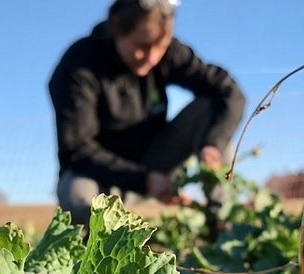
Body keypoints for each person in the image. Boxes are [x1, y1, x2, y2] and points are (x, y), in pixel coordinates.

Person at [49, 0, 246, 226]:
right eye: (141, 46)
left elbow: (229, 92)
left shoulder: (168, 52)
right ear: (117, 27)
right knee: (78, 199)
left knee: (213, 114)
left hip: (155, 160)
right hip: (100, 173)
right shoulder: (79, 64)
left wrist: (211, 143)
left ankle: (223, 228)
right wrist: (144, 180)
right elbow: (77, 148)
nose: (152, 58)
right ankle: (96, 248)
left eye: (160, 47)